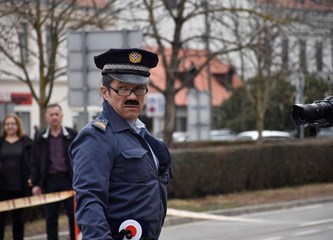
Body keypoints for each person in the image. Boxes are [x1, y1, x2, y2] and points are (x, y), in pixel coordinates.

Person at [69, 48, 173, 240]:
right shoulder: (96, 137)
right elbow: (89, 202)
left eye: (139, 88)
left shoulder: (141, 134)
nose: (132, 97)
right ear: (105, 92)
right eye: (123, 88)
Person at [30, 103, 77, 240]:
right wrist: (35, 184)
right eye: (51, 115)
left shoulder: (72, 135)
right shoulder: (40, 138)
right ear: (46, 117)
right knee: (51, 218)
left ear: (61, 116)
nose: (54, 117)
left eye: (57, 114)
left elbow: (81, 158)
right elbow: (34, 162)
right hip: (49, 182)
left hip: (70, 181)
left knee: (73, 216)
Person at [0, 114, 32, 240]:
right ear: (4, 126)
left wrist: (31, 177)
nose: (10, 126)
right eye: (7, 124)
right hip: (2, 188)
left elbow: (31, 162)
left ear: (18, 125)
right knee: (0, 221)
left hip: (20, 187)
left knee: (18, 221)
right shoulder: (1, 142)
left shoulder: (26, 142)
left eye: (13, 123)